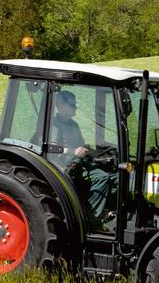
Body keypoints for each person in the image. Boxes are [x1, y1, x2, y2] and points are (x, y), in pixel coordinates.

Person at [50, 89, 117, 231]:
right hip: (64, 166)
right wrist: (72, 151)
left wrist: (93, 151)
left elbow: (80, 144)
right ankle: (91, 218)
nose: (75, 108)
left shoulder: (74, 125)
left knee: (115, 174)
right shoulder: (54, 125)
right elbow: (51, 147)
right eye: (72, 105)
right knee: (102, 177)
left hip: (80, 162)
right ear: (61, 106)